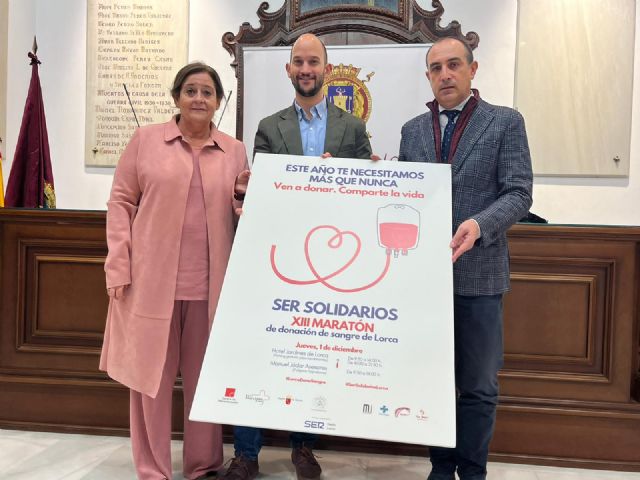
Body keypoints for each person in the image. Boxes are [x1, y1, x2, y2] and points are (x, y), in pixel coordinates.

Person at [221, 33, 372, 480]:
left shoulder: (352, 128)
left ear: (327, 68)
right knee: (259, 352)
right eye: (299, 62)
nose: (306, 69)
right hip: (277, 256)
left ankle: (304, 447)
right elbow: (264, 191)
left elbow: (362, 193)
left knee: (312, 358)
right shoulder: (270, 126)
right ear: (288, 70)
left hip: (331, 261)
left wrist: (343, 175)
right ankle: (246, 453)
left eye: (313, 62)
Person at [100, 62, 250, 480]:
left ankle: (202, 465)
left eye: (207, 92)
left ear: (218, 101)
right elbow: (120, 203)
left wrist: (246, 200)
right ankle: (153, 468)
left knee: (205, 382)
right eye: (191, 90)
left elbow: (242, 208)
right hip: (150, 287)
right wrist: (118, 264)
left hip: (211, 289)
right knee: (149, 382)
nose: (199, 98)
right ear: (177, 97)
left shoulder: (234, 150)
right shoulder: (146, 141)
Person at [398, 37, 533, 480]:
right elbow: (406, 196)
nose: (445, 75)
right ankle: (441, 468)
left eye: (454, 65)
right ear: (428, 77)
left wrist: (479, 224)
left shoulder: (504, 122)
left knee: (478, 387)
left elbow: (519, 193)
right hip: (425, 283)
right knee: (434, 383)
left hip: (480, 278)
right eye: (436, 68)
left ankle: (473, 472)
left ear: (473, 69)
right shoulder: (413, 130)